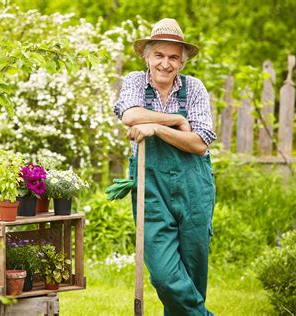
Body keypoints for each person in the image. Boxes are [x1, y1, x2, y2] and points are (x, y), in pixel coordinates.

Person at [114, 18, 216, 315]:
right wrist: (175, 121)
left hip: (194, 186)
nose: (165, 63)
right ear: (147, 57)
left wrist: (156, 129)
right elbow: (130, 116)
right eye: (159, 55)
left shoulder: (194, 88)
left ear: (182, 63)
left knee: (194, 272)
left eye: (173, 57)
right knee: (164, 275)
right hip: (150, 184)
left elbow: (199, 144)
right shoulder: (135, 81)